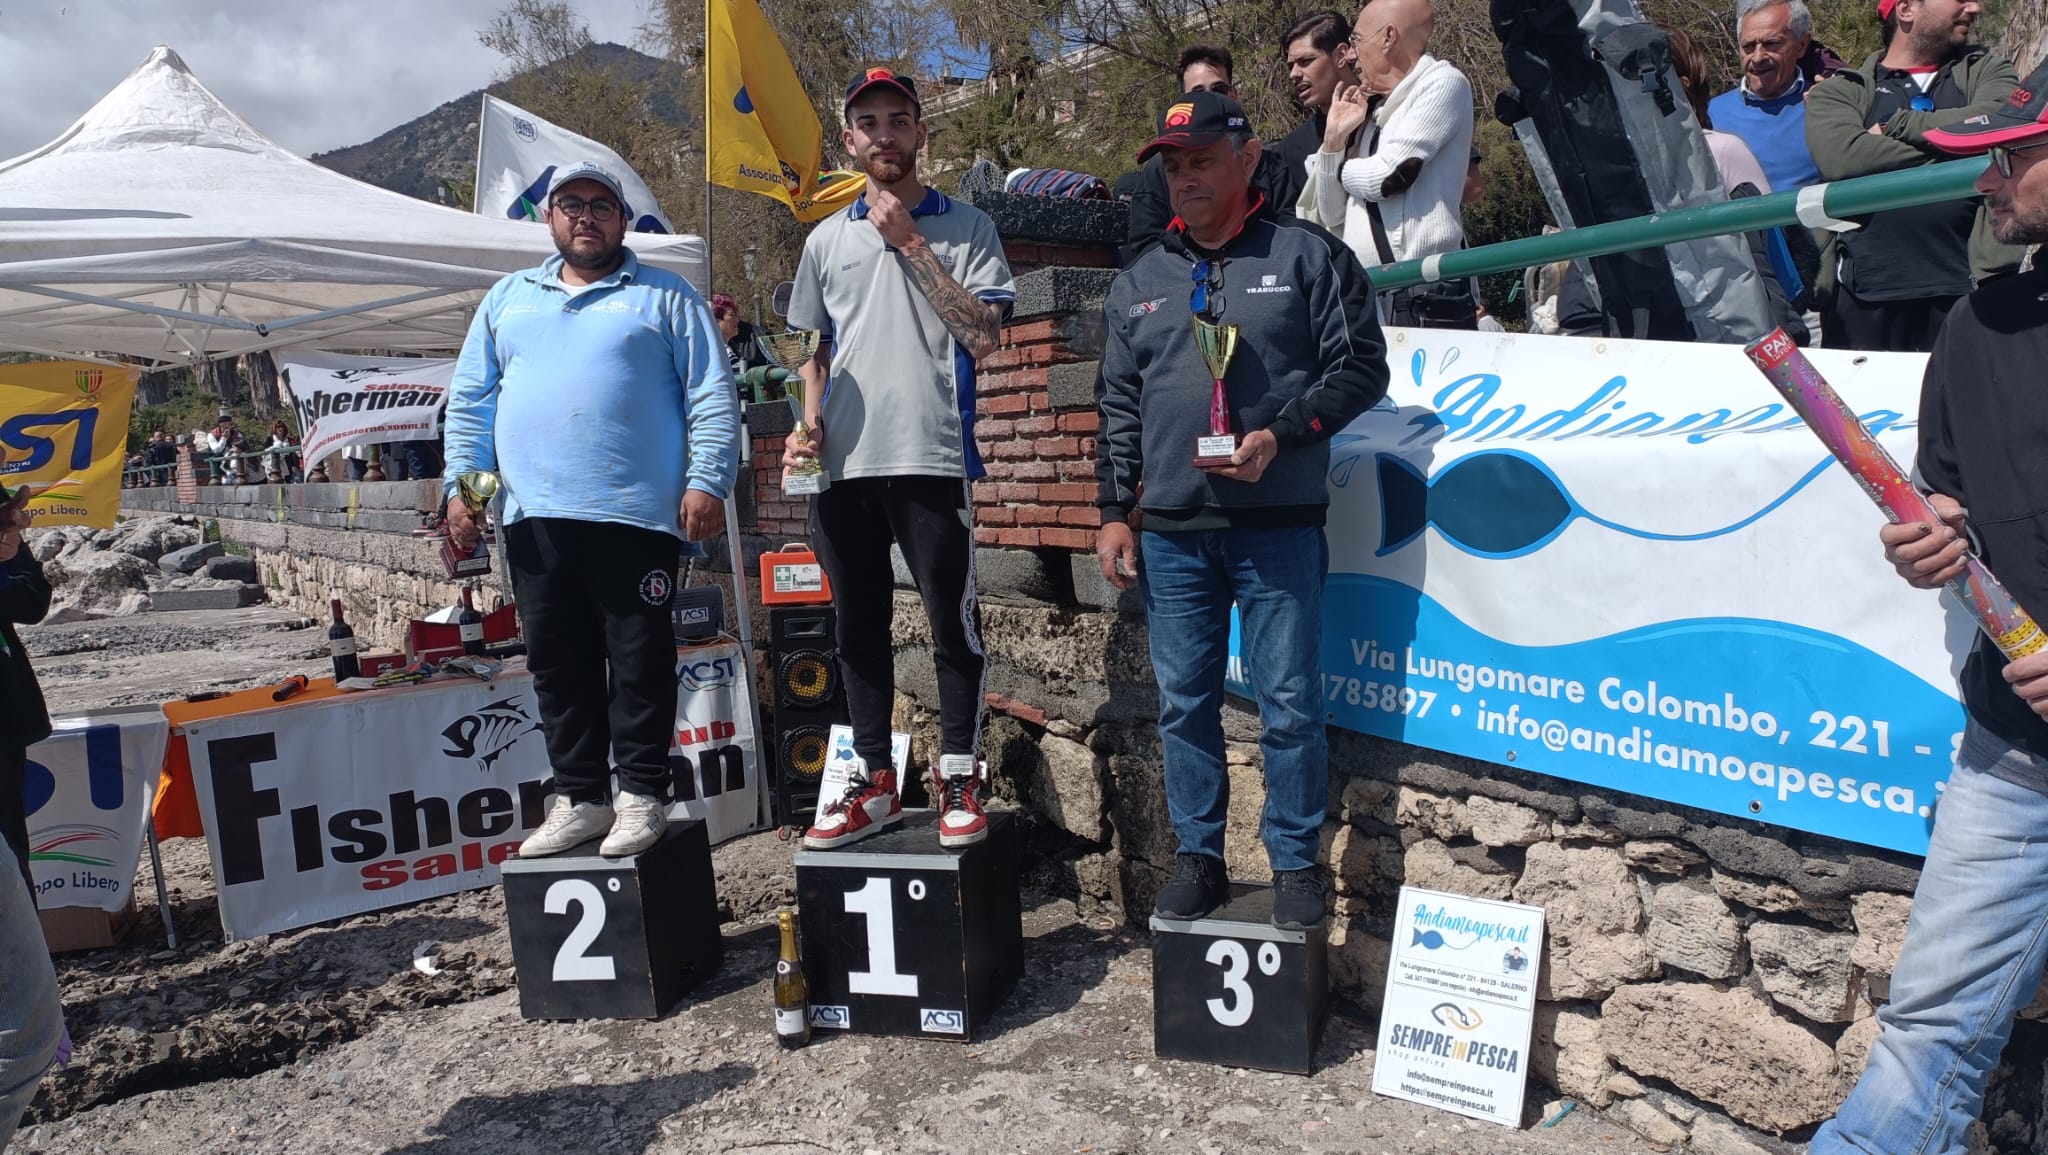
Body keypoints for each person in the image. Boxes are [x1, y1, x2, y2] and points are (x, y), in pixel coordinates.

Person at [1809, 65, 2048, 1153]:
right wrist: (1935, 541)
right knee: (1924, 1037)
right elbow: (1949, 505)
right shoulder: (1977, 324)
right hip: (2012, 756)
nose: (1986, 183)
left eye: (2011, 155)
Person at [1095, 90, 1390, 930]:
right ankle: (1199, 856)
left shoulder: (1308, 256)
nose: (1185, 179)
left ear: (1248, 158)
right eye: (1174, 167)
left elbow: (1362, 368)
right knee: (1184, 703)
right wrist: (1114, 508)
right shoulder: (1140, 281)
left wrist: (1281, 434)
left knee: (1289, 703)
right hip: (1173, 536)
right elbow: (1116, 404)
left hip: (1277, 528)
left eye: (1201, 161)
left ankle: (1295, 864)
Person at [444, 160, 740, 859]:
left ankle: (641, 793)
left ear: (623, 221)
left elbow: (711, 393)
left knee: (639, 659)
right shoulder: (508, 299)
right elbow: (473, 405)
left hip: (635, 516)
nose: (586, 216)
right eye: (571, 204)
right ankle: (581, 796)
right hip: (533, 518)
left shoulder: (666, 296)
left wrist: (708, 481)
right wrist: (468, 495)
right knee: (557, 664)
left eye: (601, 205)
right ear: (549, 218)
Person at [783, 68, 1016, 851]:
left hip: (932, 453)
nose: (884, 134)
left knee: (952, 624)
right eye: (869, 122)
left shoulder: (968, 226)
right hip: (844, 466)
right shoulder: (823, 241)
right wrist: (807, 421)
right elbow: (811, 352)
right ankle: (875, 780)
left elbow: (983, 336)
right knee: (857, 628)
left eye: (897, 119)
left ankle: (958, 777)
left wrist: (911, 244)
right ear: (849, 139)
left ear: (921, 132)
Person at [1805, 0, 2024, 352]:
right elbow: (1842, 157)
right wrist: (1962, 145)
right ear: (1906, 9)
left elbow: (2000, 121)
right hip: (1863, 302)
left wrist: (1897, 125)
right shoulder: (1841, 90)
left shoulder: (1988, 71)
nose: (1975, 7)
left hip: (1976, 293)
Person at [1309, 0, 1475, 325]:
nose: (1350, 55)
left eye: (1356, 40)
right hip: (1372, 297)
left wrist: (1340, 170)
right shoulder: (1370, 110)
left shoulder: (1443, 83)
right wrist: (1334, 140)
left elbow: (1387, 177)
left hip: (1426, 295)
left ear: (1388, 37)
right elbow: (1330, 214)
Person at [1123, 45, 1303, 257]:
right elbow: (1146, 246)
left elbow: (1292, 233)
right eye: (1197, 93)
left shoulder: (1272, 165)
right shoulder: (1157, 170)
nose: (1209, 101)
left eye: (1219, 90)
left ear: (1249, 159)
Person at [1708, 0, 1844, 193]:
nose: (1758, 57)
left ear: (1801, 45)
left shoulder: (1829, 106)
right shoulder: (1710, 115)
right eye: (1748, 46)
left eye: (1771, 44)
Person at [1272, 12, 1363, 214]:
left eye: (1305, 61)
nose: (1294, 74)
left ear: (1341, 55)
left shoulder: (1388, 114)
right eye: (1291, 66)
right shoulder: (1290, 151)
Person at [207, 411, 249, 485]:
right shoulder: (212, 435)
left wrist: (237, 448)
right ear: (220, 425)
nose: (227, 428)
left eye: (229, 425)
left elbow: (243, 446)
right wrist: (223, 438)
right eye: (224, 426)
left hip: (234, 458)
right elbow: (216, 450)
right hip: (220, 461)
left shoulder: (237, 434)